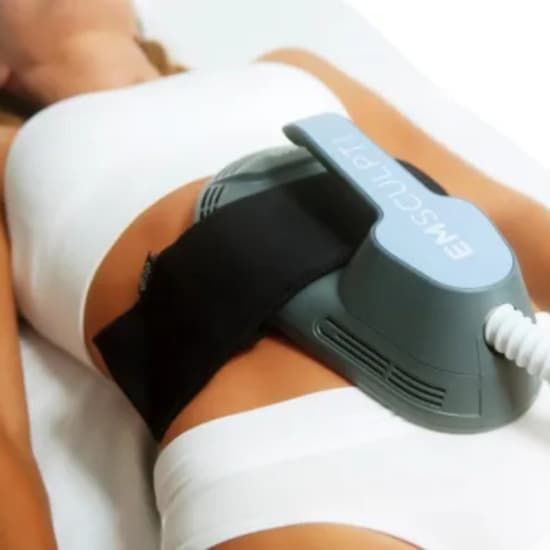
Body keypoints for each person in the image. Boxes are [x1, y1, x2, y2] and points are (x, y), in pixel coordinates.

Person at [1, 1, 550, 549]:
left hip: (521, 387)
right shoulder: (8, 156)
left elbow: (507, 216)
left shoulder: (291, 71)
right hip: (305, 470)